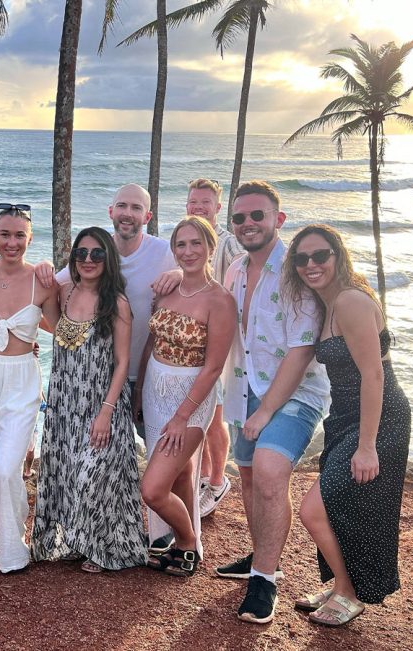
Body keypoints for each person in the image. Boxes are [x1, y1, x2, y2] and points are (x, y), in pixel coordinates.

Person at [282, 224, 412, 626]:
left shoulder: (350, 301)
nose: (311, 264)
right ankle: (342, 581)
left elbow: (374, 375)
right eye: (302, 258)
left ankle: (349, 592)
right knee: (341, 506)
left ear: (338, 256)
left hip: (378, 418)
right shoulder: (329, 302)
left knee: (314, 510)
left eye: (320, 255)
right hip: (345, 417)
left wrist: (368, 445)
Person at [215, 181, 331, 624]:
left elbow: (301, 350)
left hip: (296, 392)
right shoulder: (236, 270)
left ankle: (264, 579)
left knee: (268, 474)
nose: (248, 223)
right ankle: (262, 555)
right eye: (240, 217)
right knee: (248, 478)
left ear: (277, 220)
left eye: (257, 215)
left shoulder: (295, 268)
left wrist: (266, 411)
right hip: (244, 387)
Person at [51, 183, 179, 553]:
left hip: (151, 371)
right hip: (102, 381)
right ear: (111, 212)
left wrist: (182, 275)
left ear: (147, 216)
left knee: (161, 456)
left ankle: (167, 537)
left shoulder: (163, 252)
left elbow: (196, 277)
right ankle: (100, 536)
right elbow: (57, 286)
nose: (128, 213)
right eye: (121, 205)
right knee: (110, 462)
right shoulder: (97, 250)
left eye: (136, 207)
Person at [31, 227, 147, 573]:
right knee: (65, 472)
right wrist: (40, 266)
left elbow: (123, 362)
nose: (88, 260)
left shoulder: (118, 303)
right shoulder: (64, 293)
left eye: (97, 254)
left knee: (91, 474)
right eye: (81, 253)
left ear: (108, 258)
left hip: (101, 402)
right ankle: (76, 540)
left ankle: (104, 546)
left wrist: (107, 412)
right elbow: (39, 309)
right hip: (65, 400)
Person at [134, 217, 236, 577]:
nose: (188, 251)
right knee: (179, 474)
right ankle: (180, 545)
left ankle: (189, 540)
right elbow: (151, 341)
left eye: (196, 244)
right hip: (155, 389)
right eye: (181, 244)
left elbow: (213, 368)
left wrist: (181, 417)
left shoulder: (221, 301)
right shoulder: (167, 289)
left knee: (152, 488)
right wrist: (138, 390)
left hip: (190, 399)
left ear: (211, 247)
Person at [0, 202, 60, 574]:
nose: (12, 242)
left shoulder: (42, 280)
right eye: (5, 233)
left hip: (22, 377)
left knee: (8, 466)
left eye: (19, 235)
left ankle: (14, 541)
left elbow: (61, 328)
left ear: (30, 238)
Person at [185, 178, 244, 518]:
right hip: (193, 344)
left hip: (217, 344)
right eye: (194, 202)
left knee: (214, 416)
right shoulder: (187, 240)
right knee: (201, 414)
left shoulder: (227, 244)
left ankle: (219, 480)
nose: (199, 207)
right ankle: (205, 476)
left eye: (206, 202)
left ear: (218, 208)